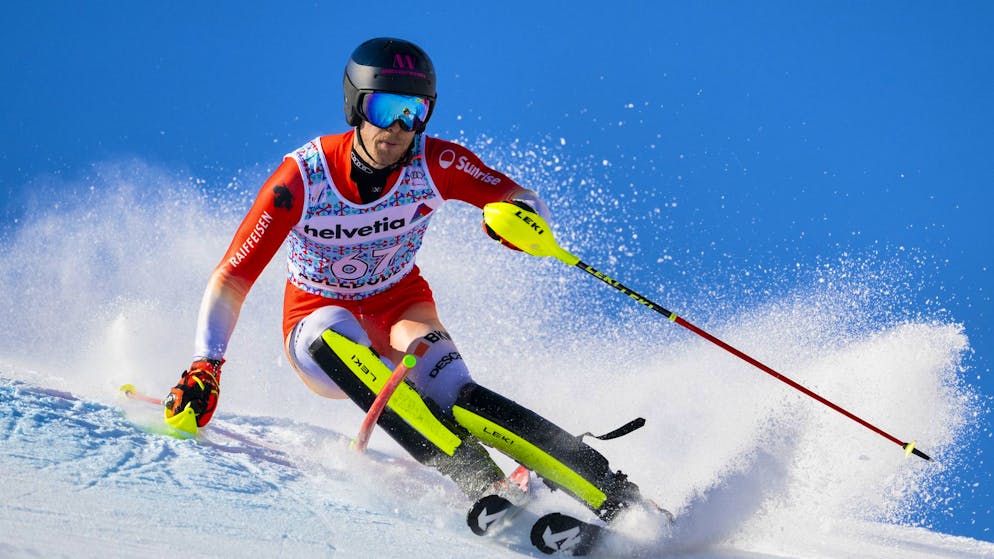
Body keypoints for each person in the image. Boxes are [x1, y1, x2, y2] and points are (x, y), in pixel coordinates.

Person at [164, 37, 648, 523]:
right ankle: (482, 481)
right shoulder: (303, 177)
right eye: (384, 107)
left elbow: (516, 195)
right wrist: (207, 365)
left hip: (399, 306)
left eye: (413, 112)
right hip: (315, 318)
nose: (398, 128)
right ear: (356, 106)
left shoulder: (433, 162)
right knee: (335, 334)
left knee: (457, 393)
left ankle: (618, 498)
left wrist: (516, 219)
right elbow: (233, 275)